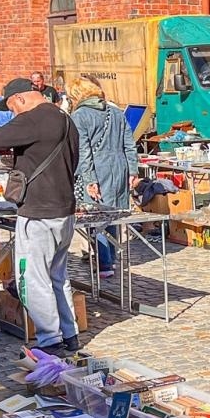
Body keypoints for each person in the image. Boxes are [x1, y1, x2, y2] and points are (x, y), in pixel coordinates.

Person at [0, 78, 82, 356]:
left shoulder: (32, 119)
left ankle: (50, 339)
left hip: (38, 211)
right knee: (58, 276)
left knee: (32, 278)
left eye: (12, 107)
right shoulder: (65, 119)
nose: (12, 113)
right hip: (64, 209)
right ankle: (69, 332)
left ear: (22, 99)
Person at [70, 74, 137, 278]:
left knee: (96, 217)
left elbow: (84, 150)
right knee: (112, 214)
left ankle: (104, 263)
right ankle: (112, 259)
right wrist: (133, 170)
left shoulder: (80, 115)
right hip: (120, 166)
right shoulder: (115, 112)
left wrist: (90, 179)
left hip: (98, 168)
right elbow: (129, 143)